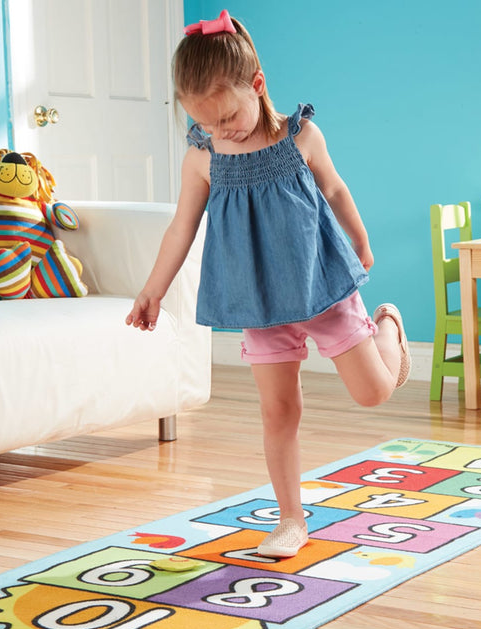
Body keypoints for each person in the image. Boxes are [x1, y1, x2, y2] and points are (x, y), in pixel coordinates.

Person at [126, 9, 411, 558]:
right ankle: (290, 518)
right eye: (205, 122)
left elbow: (336, 191)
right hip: (256, 299)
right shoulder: (202, 157)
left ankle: (389, 330)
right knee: (279, 411)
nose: (220, 129)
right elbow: (181, 228)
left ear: (257, 85)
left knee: (373, 393)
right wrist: (153, 290)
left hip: (320, 284)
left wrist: (361, 241)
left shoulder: (299, 135)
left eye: (227, 116)